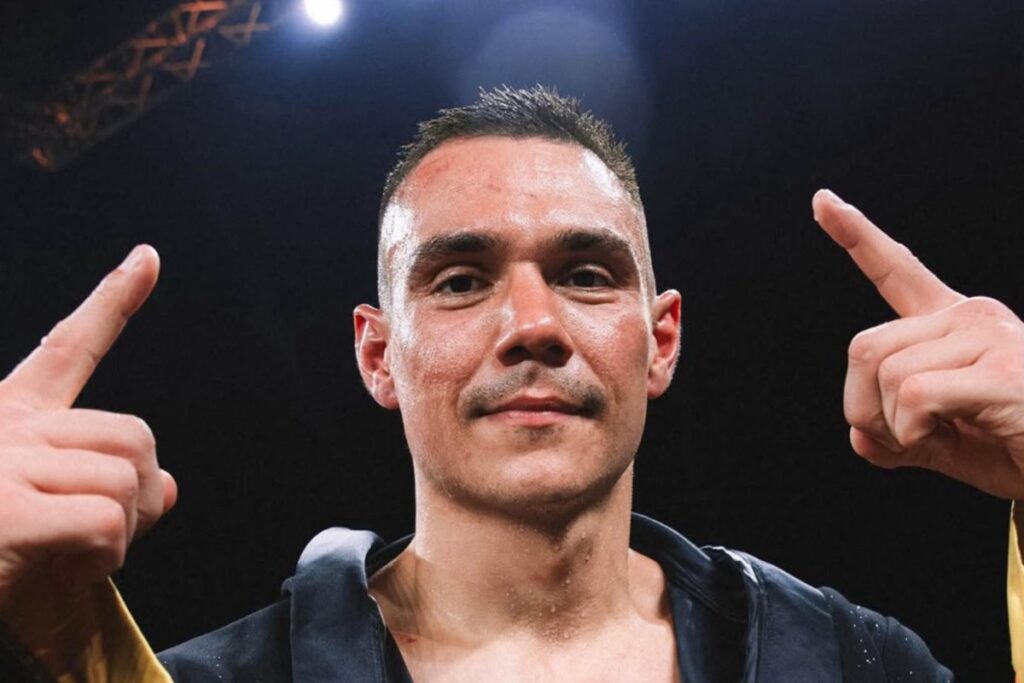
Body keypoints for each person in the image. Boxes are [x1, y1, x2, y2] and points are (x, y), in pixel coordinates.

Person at [1, 86, 1022, 681]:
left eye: (586, 274)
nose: (533, 325)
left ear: (660, 340)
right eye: (458, 280)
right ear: (377, 355)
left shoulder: (853, 661)